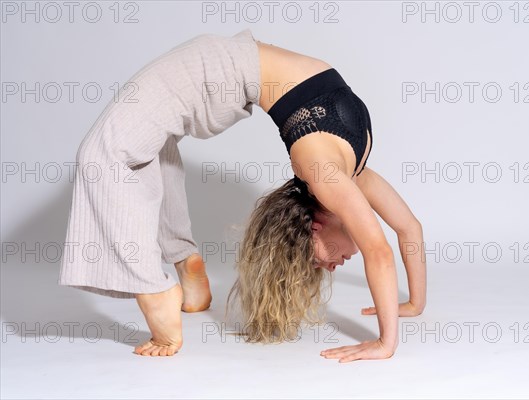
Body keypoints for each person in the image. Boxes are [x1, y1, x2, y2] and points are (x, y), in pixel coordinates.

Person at [59, 29, 427, 361]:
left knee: (143, 146)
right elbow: (382, 247)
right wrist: (386, 342)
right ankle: (153, 286)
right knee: (104, 152)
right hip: (220, 69)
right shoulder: (329, 176)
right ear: (315, 226)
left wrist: (413, 302)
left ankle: (182, 262)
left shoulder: (351, 173)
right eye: (320, 259)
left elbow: (409, 229)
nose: (330, 266)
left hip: (228, 72)